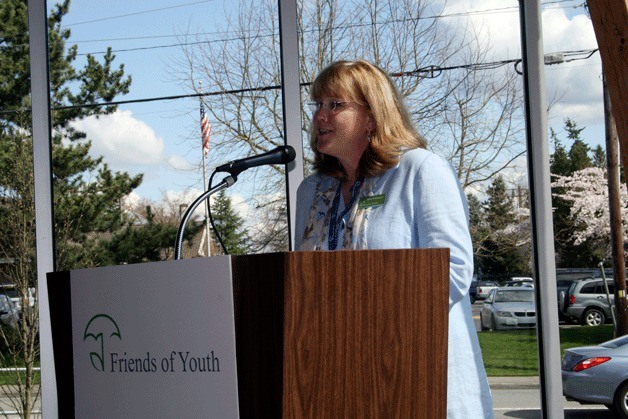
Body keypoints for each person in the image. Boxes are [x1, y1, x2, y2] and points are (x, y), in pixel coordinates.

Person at [294, 59, 494, 418]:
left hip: (416, 375)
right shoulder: (312, 191)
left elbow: (454, 272)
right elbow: (302, 285)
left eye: (334, 105)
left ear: (372, 116)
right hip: (337, 381)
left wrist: (365, 306)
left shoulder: (421, 171)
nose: (319, 116)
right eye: (317, 105)